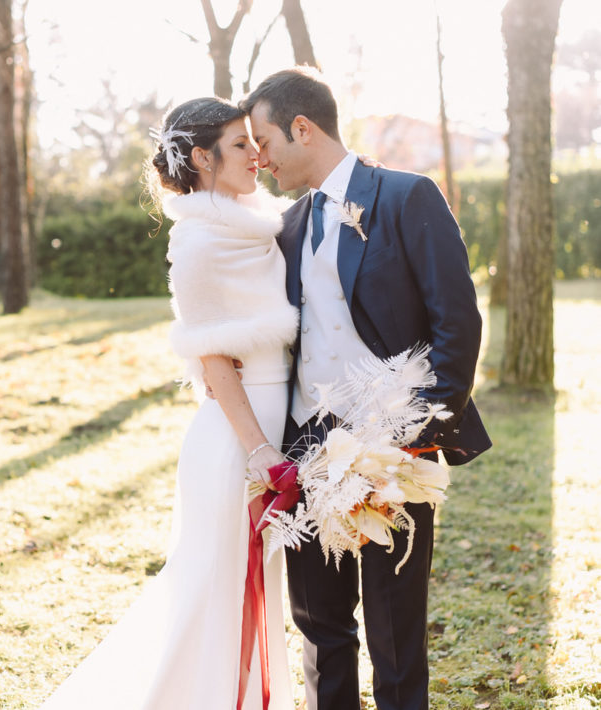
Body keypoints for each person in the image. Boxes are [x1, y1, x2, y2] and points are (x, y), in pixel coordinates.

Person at [239, 67, 492, 710]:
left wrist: (419, 435)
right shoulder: (287, 227)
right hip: (305, 451)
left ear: (303, 128)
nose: (259, 158)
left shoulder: (407, 197)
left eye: (264, 141)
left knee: (394, 628)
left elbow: (455, 322)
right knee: (320, 627)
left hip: (395, 443)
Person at [39, 97, 297, 709]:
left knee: (252, 597)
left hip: (273, 427)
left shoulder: (258, 224)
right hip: (239, 445)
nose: (256, 156)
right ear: (203, 158)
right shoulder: (199, 246)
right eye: (240, 146)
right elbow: (214, 363)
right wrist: (262, 454)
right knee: (214, 597)